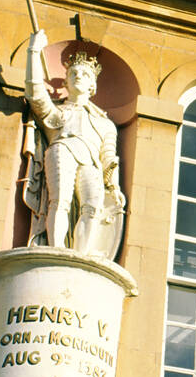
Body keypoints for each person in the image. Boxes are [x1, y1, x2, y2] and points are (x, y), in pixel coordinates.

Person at [23, 30, 124, 258]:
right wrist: (34, 51)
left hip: (92, 164)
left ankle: (81, 255)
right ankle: (56, 248)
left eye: (85, 74)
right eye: (73, 73)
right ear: (66, 81)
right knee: (60, 201)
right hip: (63, 149)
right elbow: (35, 92)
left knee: (93, 208)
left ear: (93, 86)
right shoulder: (57, 112)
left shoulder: (105, 124)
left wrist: (115, 187)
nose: (78, 76)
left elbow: (109, 158)